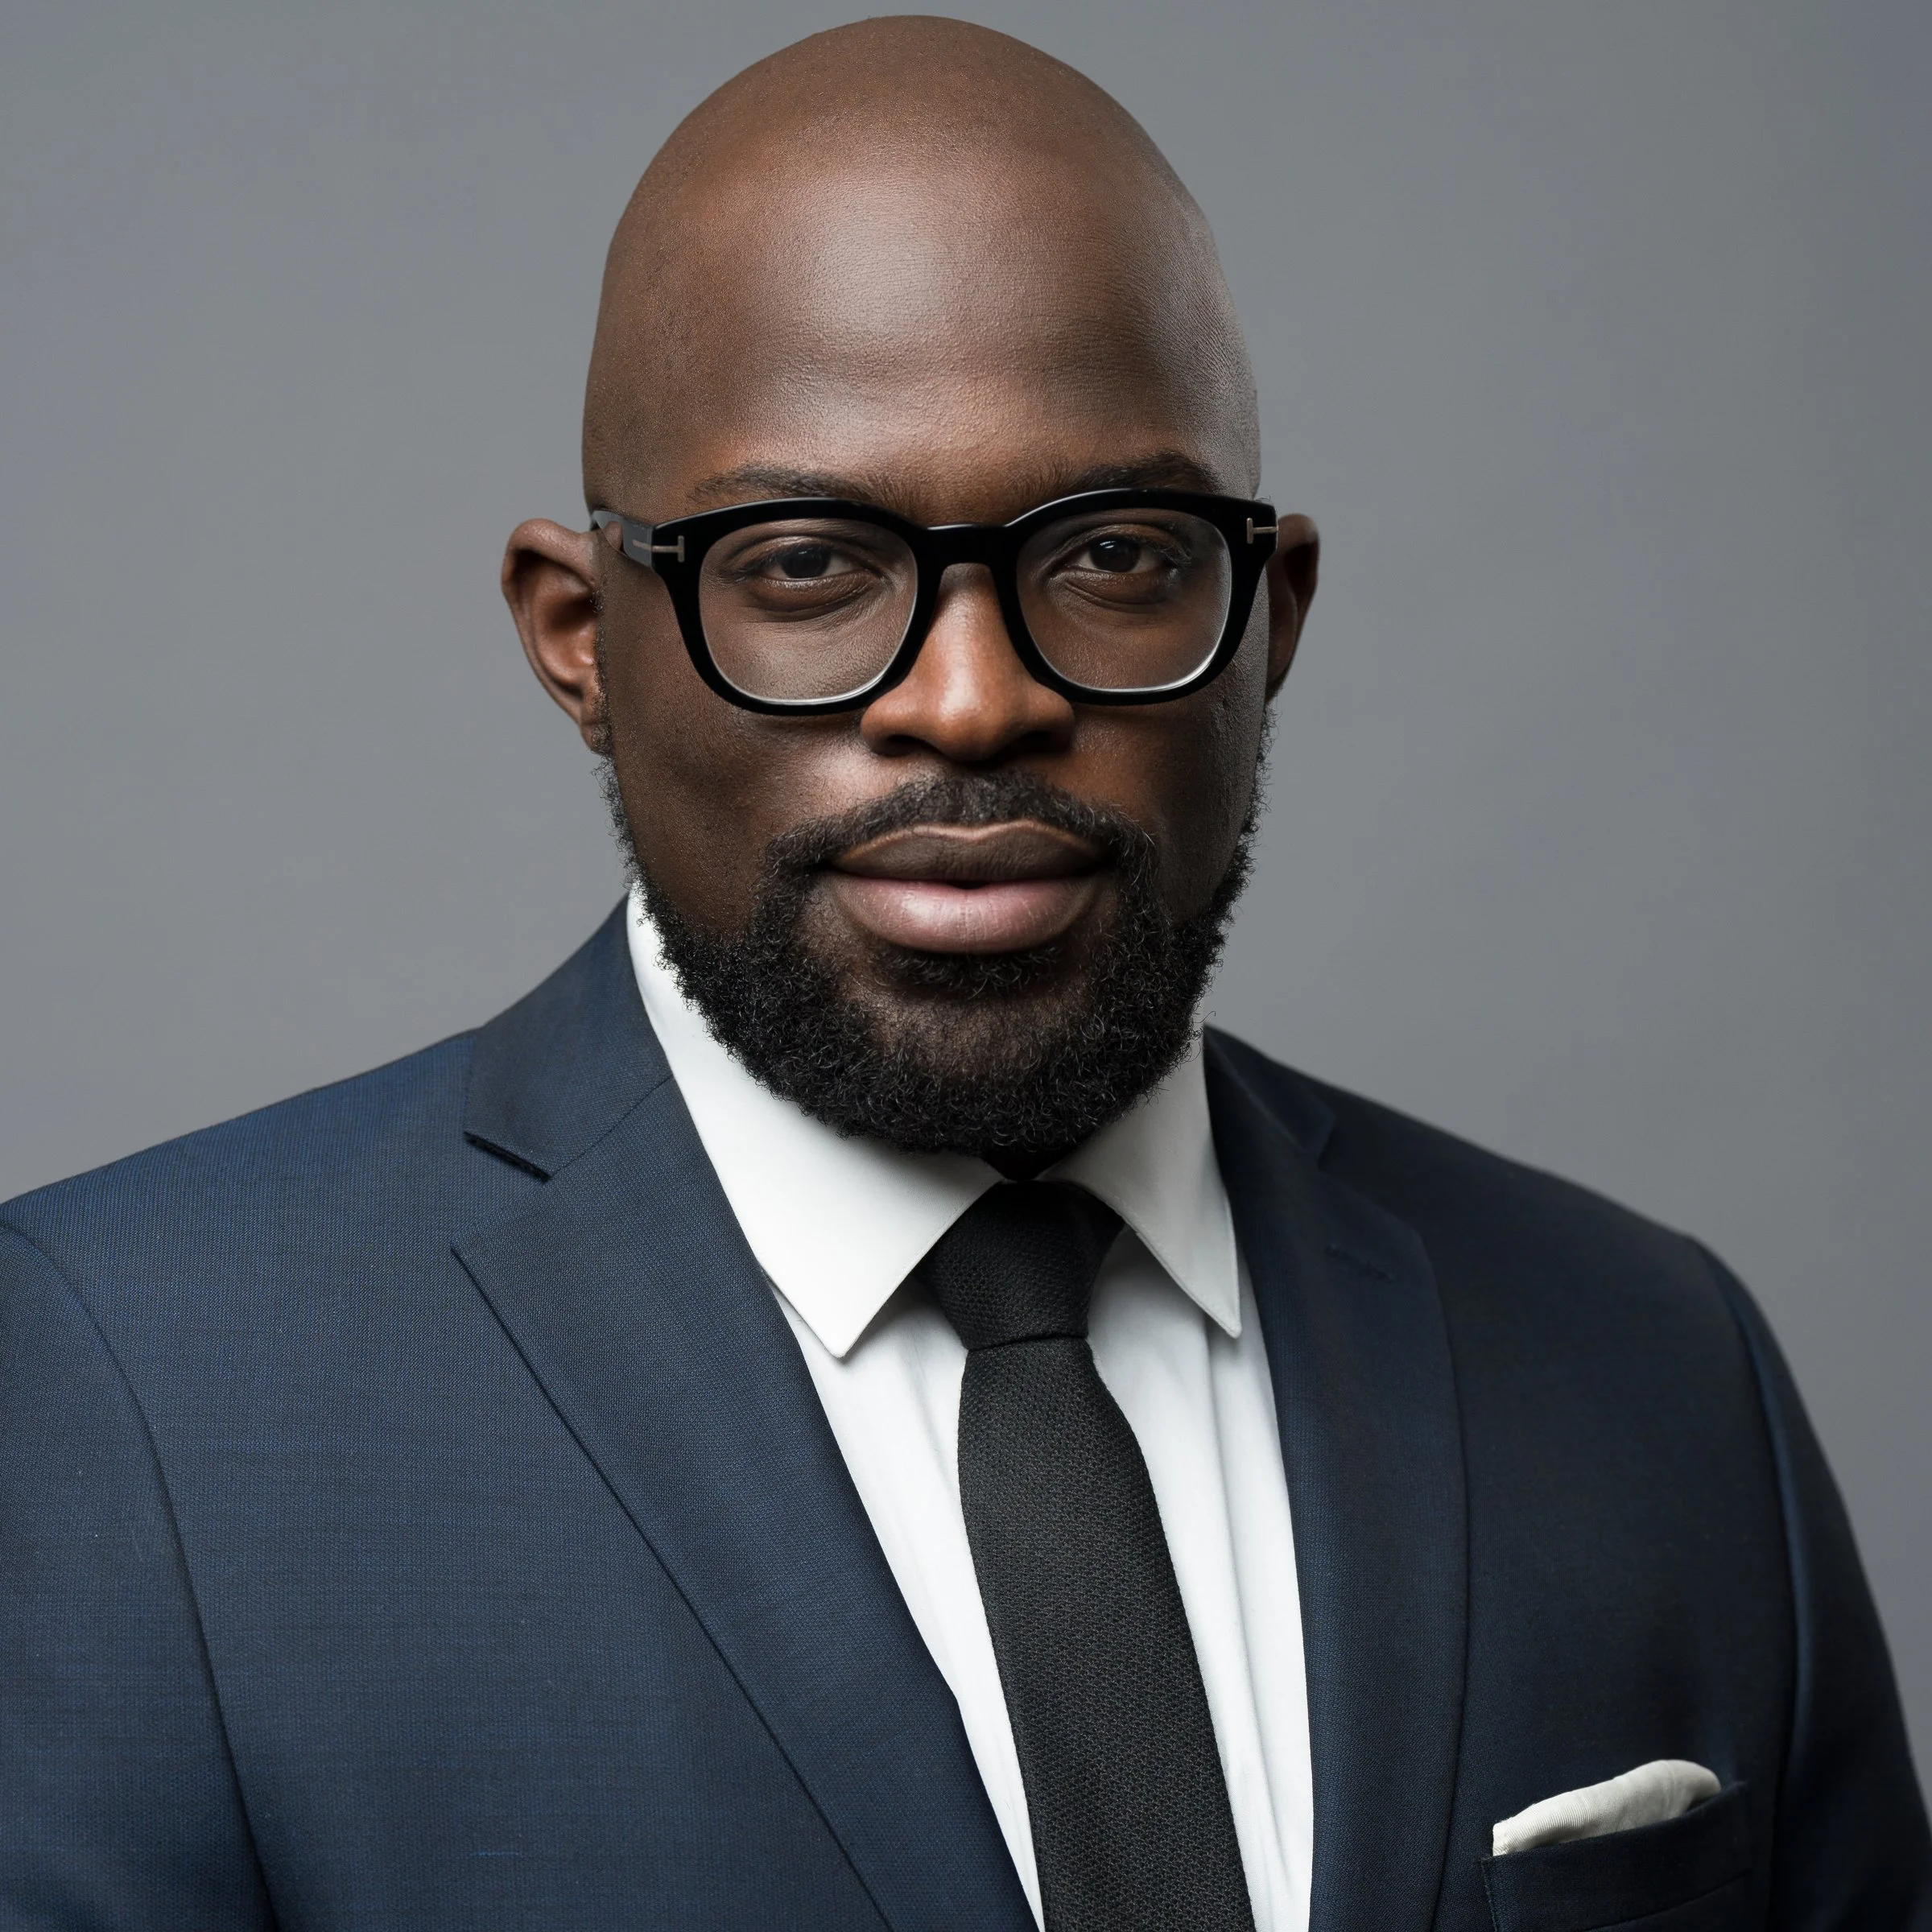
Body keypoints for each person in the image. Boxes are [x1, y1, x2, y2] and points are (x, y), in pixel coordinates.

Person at [2, 18, 1924, 1931]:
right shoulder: (134, 1400)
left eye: (1116, 554)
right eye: (805, 564)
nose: (976, 699)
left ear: (1268, 621)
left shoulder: (1656, 1370)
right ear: (580, 639)